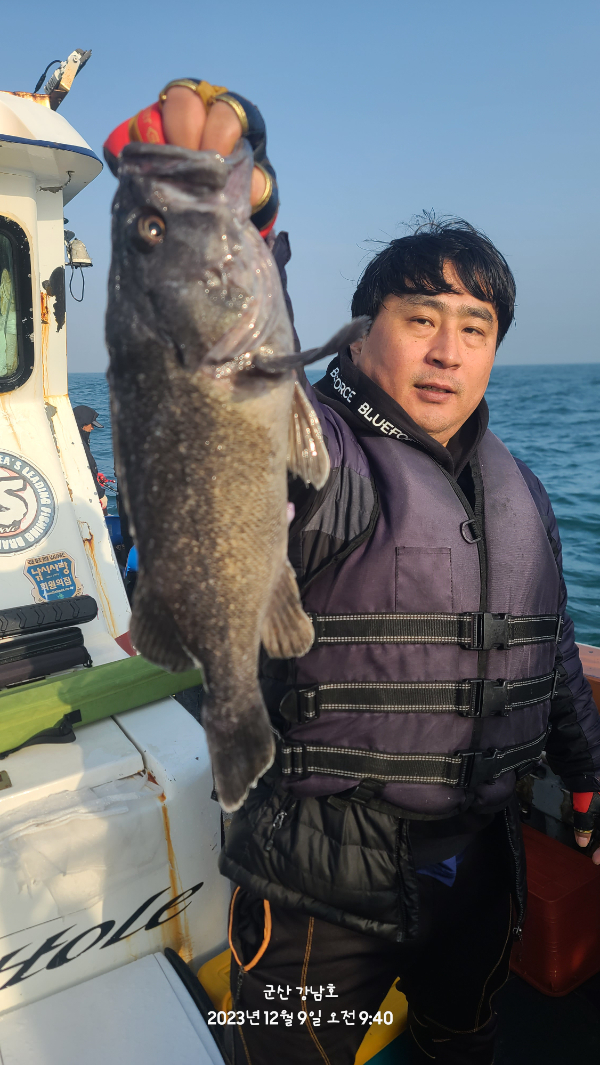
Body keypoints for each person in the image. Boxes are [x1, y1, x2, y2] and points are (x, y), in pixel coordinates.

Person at [105, 85, 600, 1065]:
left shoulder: (523, 490)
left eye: (476, 328)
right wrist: (242, 209)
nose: (448, 352)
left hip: (481, 861)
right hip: (318, 882)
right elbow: (223, 367)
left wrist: (585, 772)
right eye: (421, 319)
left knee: (465, 1037)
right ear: (361, 330)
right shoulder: (322, 446)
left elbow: (546, 648)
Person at [72, 405, 108, 511]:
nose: (92, 428)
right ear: (83, 425)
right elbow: (84, 471)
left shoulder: (75, 439)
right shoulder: (78, 445)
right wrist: (100, 495)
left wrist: (96, 474)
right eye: (91, 425)